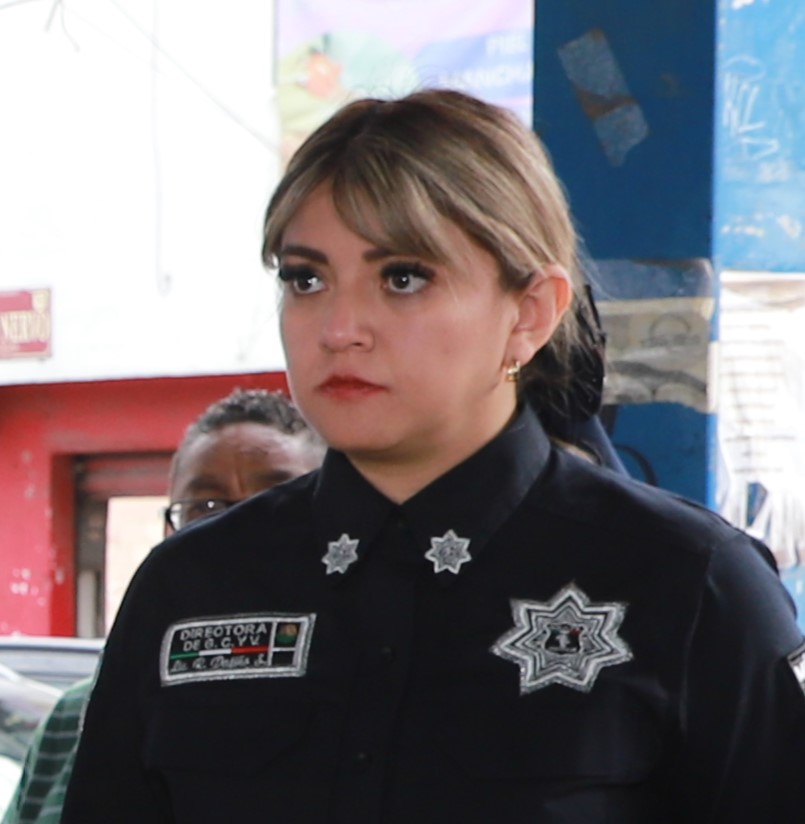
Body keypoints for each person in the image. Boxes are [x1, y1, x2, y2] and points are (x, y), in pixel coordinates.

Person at [62, 90, 805, 823]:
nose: (339, 328)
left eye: (403, 278)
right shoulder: (192, 586)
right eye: (306, 279)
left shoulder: (689, 584)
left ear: (530, 313)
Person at [3, 388, 323, 824]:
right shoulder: (76, 715)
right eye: (205, 507)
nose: (237, 530)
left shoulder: (358, 695)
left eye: (274, 503)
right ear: (171, 529)